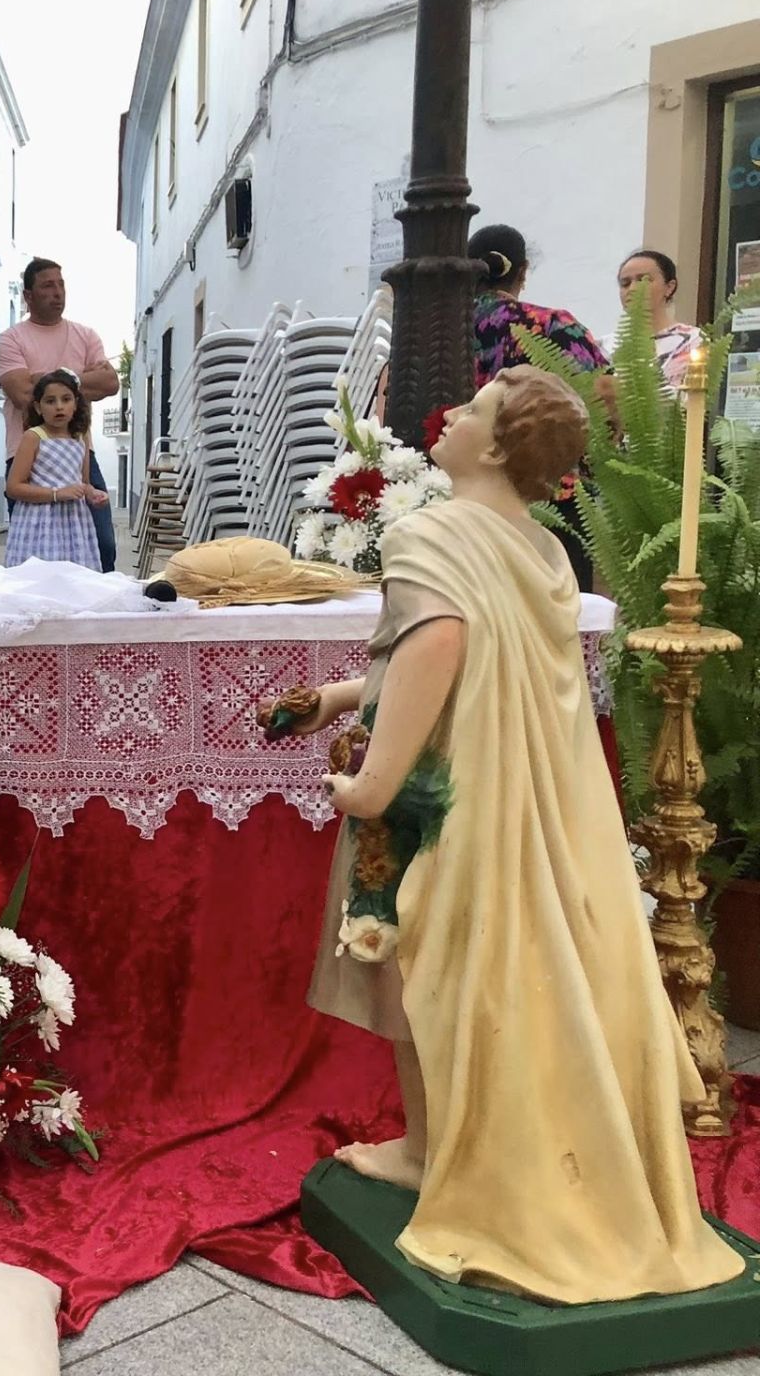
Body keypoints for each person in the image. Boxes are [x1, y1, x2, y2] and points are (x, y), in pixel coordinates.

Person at [281, 367, 743, 1304]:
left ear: (494, 447)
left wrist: (371, 785)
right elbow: (467, 651)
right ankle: (428, 1144)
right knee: (464, 967)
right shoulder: (539, 549)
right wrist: (336, 696)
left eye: (473, 410)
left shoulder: (426, 534)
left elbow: (438, 645)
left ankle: (450, 1156)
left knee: (428, 968)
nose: (448, 416)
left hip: (452, 795)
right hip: (539, 797)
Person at [467, 224, 609, 591]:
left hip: (471, 490)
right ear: (523, 271)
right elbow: (605, 396)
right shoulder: (551, 326)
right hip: (552, 494)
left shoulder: (443, 330)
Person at [0, 259, 120, 572]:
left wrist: (43, 378)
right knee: (35, 555)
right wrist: (79, 380)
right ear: (28, 295)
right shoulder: (12, 339)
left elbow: (110, 382)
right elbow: (23, 395)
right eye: (47, 286)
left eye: (61, 284)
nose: (58, 292)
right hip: (28, 454)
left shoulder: (86, 335)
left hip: (79, 451)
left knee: (101, 543)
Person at [3, 370, 106, 570]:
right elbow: (14, 487)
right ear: (38, 407)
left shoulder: (80, 438)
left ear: (76, 403)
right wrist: (57, 494)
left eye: (66, 399)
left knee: (74, 580)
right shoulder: (33, 437)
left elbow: (83, 483)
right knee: (41, 579)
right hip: (38, 523)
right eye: (50, 401)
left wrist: (93, 494)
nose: (59, 406)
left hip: (74, 523)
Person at [616, 248, 706, 388]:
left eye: (643, 280)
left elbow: (684, 399)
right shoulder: (606, 347)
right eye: (625, 284)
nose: (633, 289)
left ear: (669, 287)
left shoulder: (692, 340)